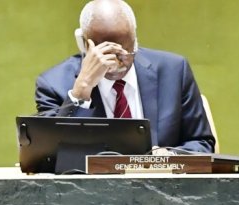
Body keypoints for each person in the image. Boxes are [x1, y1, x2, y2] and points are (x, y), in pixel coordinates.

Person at [34, 0, 216, 153]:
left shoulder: (174, 71)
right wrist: (81, 91)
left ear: (135, 40)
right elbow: (51, 156)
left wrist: (168, 158)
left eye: (125, 52)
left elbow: (202, 143)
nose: (118, 63)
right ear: (83, 44)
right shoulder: (53, 84)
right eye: (107, 53)